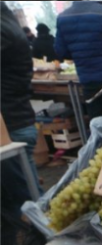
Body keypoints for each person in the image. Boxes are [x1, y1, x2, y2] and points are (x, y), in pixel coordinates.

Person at [1, 2, 43, 224]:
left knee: (28, 199)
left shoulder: (3, 30)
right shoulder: (8, 23)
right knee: (25, 194)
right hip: (15, 120)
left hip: (12, 125)